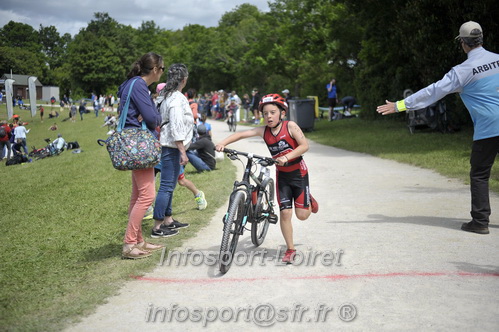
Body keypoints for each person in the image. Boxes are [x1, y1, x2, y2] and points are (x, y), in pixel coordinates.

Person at [377, 21, 499, 235]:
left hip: (489, 127)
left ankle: (480, 222)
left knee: (480, 174)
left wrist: (399, 105)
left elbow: (432, 92)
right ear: (481, 39)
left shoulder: (462, 71)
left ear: (462, 43)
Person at [216, 94, 319, 263]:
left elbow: (304, 146)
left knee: (302, 215)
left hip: (299, 174)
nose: (269, 116)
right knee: (285, 213)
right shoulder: (263, 131)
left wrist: (286, 157)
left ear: (282, 113)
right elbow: (242, 134)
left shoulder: (290, 126)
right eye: (265, 113)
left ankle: (309, 201)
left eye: (272, 112)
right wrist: (223, 143)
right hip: (282, 176)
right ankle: (290, 249)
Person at [117, 52, 165, 259]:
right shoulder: (139, 86)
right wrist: (154, 115)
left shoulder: (130, 84)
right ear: (155, 69)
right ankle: (129, 244)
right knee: (147, 195)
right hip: (140, 143)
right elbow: (154, 119)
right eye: (162, 69)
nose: (162, 73)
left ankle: (138, 240)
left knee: (138, 194)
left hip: (133, 142)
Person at [152, 63, 193, 238]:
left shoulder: (167, 95)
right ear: (183, 80)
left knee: (170, 184)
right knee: (166, 186)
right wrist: (182, 151)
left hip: (171, 146)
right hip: (172, 147)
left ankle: (168, 219)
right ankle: (157, 226)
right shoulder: (175, 99)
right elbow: (176, 126)